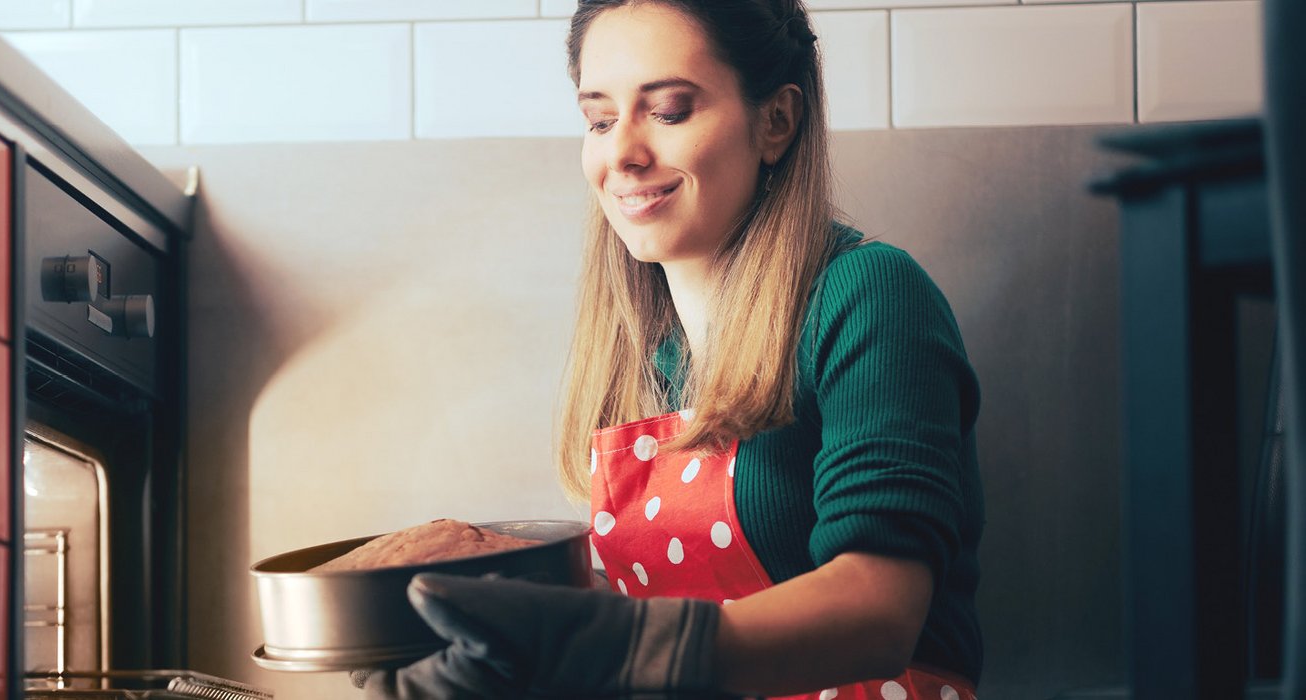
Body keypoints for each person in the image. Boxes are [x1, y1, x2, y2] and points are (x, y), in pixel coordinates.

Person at [353, 0, 984, 698]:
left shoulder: (868, 293)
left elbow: (878, 612)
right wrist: (495, 637)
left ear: (775, 121)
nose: (621, 151)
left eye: (669, 111)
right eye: (599, 119)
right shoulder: (651, 353)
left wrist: (620, 650)